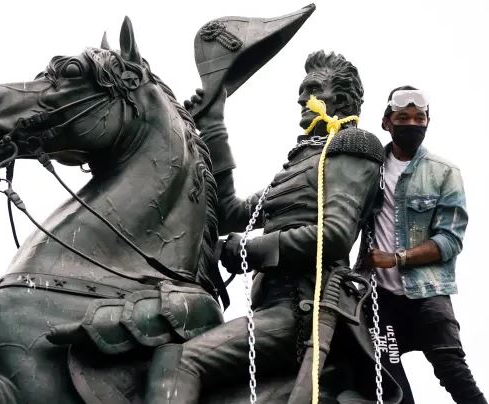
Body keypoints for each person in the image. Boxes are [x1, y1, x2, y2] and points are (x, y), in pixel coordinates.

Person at [144, 51, 408, 403]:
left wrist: (248, 249)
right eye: (301, 90)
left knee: (179, 361)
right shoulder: (302, 160)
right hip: (272, 305)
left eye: (313, 89)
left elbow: (335, 236)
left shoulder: (352, 146)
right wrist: (214, 123)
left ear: (341, 100)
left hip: (304, 308)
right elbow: (231, 213)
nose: (301, 99)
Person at [355, 85, 487, 404]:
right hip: (379, 298)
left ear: (428, 122)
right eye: (403, 118)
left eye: (419, 118)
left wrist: (396, 258)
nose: (412, 124)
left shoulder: (444, 173)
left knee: (453, 370)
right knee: (386, 380)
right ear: (386, 122)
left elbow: (450, 240)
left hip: (428, 292)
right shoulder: (367, 169)